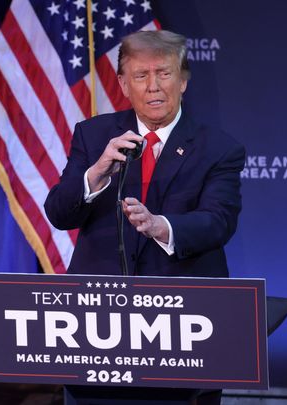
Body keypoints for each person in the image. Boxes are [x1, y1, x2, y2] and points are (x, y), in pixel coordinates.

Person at [44, 30, 245, 278]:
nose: (153, 87)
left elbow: (218, 222)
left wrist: (159, 226)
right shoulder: (93, 135)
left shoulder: (218, 148)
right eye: (141, 76)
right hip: (100, 297)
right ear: (124, 85)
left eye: (164, 73)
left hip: (183, 298)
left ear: (182, 81)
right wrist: (96, 174)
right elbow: (59, 215)